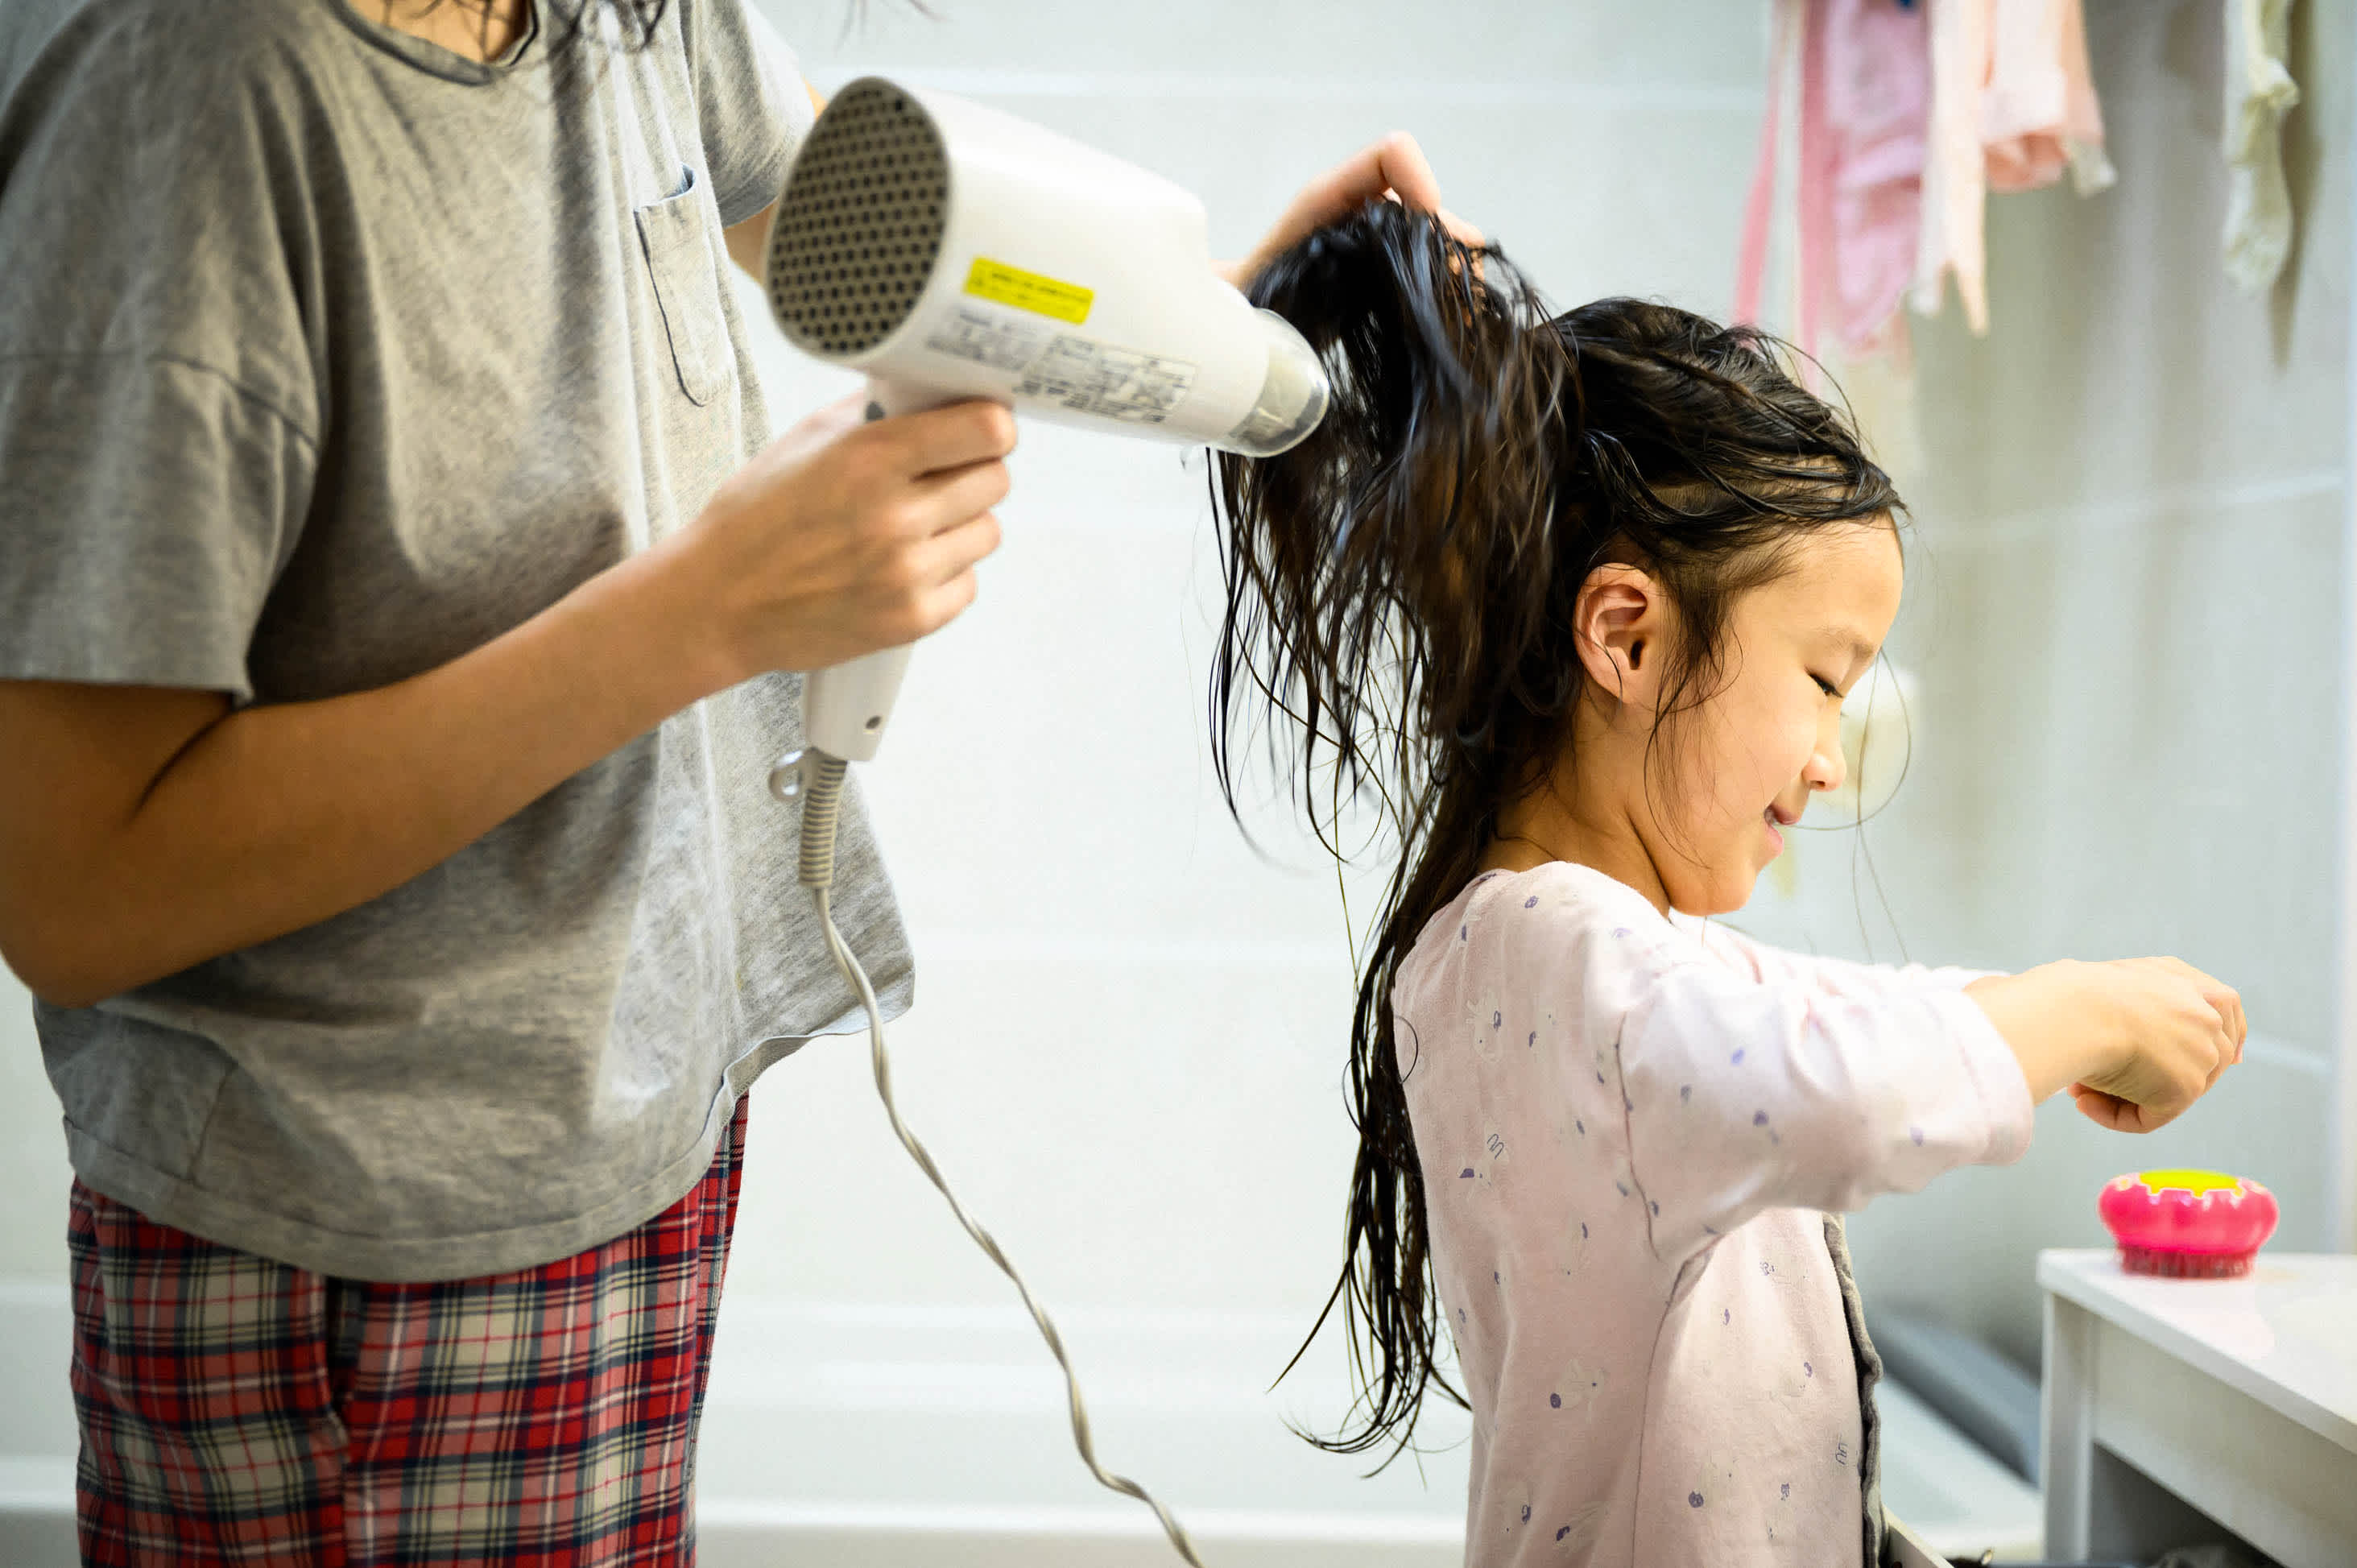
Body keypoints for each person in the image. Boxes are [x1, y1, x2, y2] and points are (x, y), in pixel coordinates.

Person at [0, 0, 1478, 1560]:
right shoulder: (178, 91)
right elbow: (74, 883)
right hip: (362, 1254)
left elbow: (864, 226)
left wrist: (1200, 330)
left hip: (638, 1137)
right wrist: (704, 613)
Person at [1209, 201, 2246, 1568]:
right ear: (1626, 638)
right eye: (1824, 679)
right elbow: (1847, 1085)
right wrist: (2083, 1009)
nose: (1829, 761)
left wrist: (2020, 1008)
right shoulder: (1565, 948)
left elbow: (1823, 1014)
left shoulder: (1518, 947)